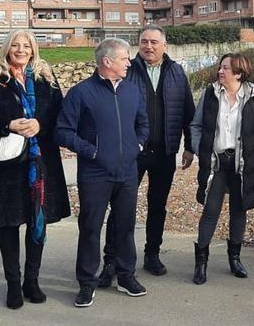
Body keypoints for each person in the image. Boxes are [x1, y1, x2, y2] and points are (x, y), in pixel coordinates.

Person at [0, 30, 71, 309]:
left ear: (34, 49)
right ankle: (13, 284)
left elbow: (60, 116)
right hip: (7, 165)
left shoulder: (45, 77)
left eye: (26, 45)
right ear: (7, 48)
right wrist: (8, 125)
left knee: (36, 220)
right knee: (10, 223)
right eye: (16, 45)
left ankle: (32, 281)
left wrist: (40, 124)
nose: (21, 49)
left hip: (41, 163)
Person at [98, 25, 195, 285]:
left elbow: (188, 111)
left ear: (164, 45)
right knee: (120, 207)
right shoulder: (127, 70)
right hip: (132, 153)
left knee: (157, 205)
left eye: (154, 42)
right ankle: (111, 260)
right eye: (144, 42)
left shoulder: (176, 72)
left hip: (165, 151)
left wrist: (190, 146)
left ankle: (152, 253)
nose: (148, 46)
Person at [55, 38, 149, 307]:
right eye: (124, 58)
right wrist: (92, 151)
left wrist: (138, 144)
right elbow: (62, 131)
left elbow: (143, 123)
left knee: (125, 226)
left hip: (128, 171)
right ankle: (86, 282)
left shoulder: (132, 91)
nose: (129, 63)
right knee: (91, 228)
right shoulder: (81, 93)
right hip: (95, 174)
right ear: (107, 62)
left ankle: (125, 275)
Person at [188, 53, 254, 284]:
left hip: (242, 164)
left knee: (239, 210)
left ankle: (235, 259)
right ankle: (201, 263)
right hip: (216, 164)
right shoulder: (210, 94)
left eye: (225, 68)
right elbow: (195, 126)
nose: (220, 71)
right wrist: (200, 149)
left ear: (238, 72)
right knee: (210, 211)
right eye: (220, 67)